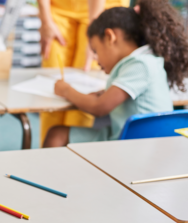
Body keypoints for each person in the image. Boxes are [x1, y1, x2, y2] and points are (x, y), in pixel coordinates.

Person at [43, 0, 188, 147]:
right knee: (57, 133)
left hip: (136, 144)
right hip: (139, 139)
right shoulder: (144, 60)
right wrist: (104, 93)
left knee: (56, 135)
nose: (95, 57)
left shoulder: (140, 65)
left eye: (95, 50)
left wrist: (66, 90)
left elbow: (99, 108)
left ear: (110, 37)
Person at [37, 0, 130, 145]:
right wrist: (45, 19)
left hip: (103, 9)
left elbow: (98, 107)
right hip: (60, 8)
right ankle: (48, 154)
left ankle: (76, 155)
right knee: (51, 92)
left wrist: (94, 34)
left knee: (85, 89)